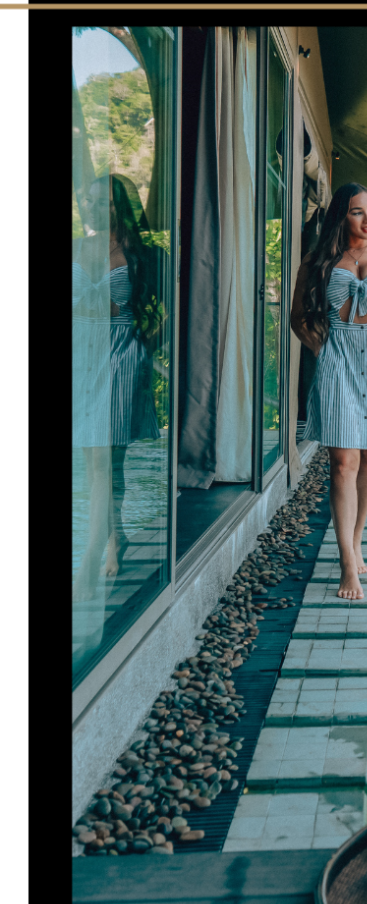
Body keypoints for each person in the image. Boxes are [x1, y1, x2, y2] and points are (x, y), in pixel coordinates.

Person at [290, 182, 367, 599]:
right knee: (342, 462)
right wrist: (324, 349)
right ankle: (347, 564)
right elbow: (298, 317)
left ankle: (357, 537)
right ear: (342, 215)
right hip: (338, 357)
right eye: (358, 212)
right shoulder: (321, 261)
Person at [72, 173, 162, 600]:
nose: (92, 208)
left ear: (120, 207)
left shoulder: (139, 255)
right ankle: (116, 537)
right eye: (88, 201)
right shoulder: (75, 247)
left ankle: (89, 559)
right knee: (97, 465)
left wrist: (147, 345)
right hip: (79, 358)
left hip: (121, 358)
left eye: (103, 202)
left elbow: (172, 309)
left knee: (105, 460)